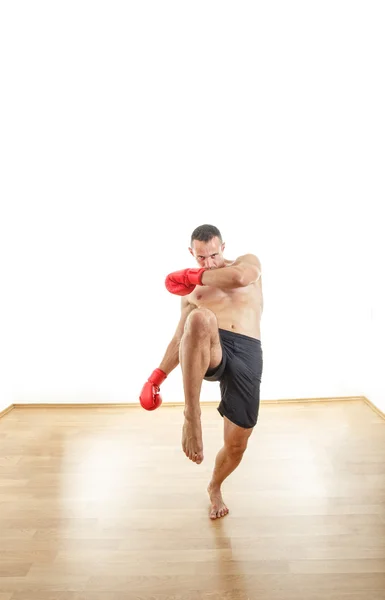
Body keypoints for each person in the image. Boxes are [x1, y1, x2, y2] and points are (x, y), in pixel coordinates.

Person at [139, 224, 263, 519]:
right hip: (211, 347)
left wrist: (191, 275)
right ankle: (191, 417)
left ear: (224, 247)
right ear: (191, 253)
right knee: (199, 318)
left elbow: (239, 278)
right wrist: (156, 377)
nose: (208, 263)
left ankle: (215, 485)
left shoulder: (246, 263)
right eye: (200, 258)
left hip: (247, 351)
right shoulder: (191, 291)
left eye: (214, 255)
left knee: (237, 445)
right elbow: (180, 336)